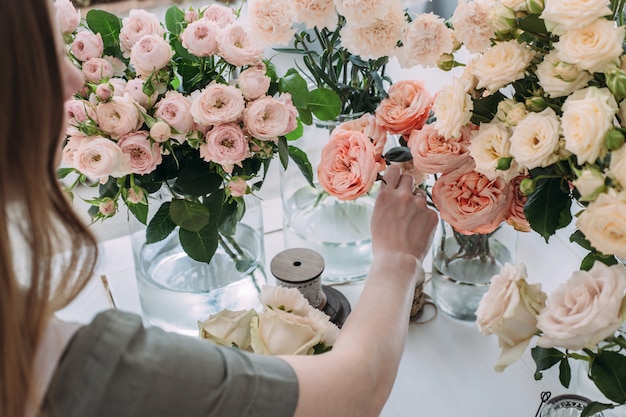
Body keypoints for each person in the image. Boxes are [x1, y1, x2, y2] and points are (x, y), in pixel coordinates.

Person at [0, 1, 438, 417]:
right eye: (46, 56)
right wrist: (398, 258)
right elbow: (353, 393)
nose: (75, 82)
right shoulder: (75, 366)